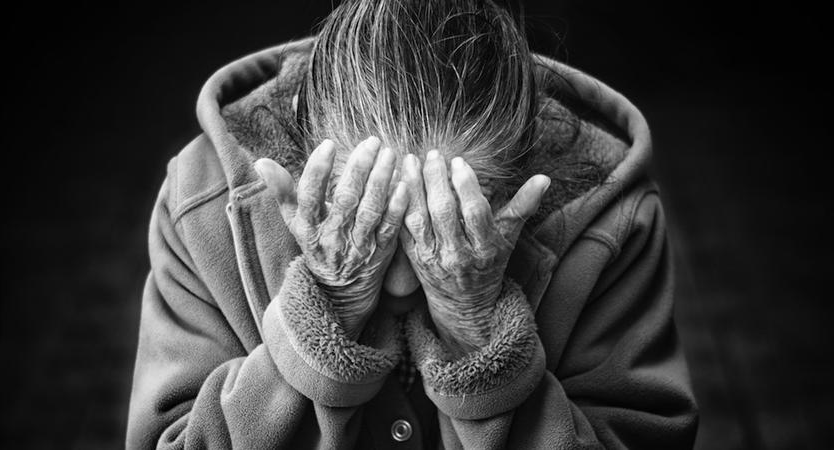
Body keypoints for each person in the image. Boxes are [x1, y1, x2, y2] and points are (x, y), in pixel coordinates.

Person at [126, 0, 699, 448]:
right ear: (302, 140)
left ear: (527, 163)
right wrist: (321, 315)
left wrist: (480, 337)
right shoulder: (199, 203)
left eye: (454, 224)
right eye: (362, 216)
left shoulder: (617, 222)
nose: (402, 281)